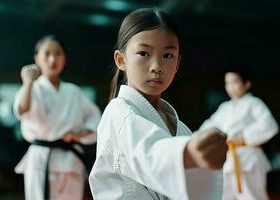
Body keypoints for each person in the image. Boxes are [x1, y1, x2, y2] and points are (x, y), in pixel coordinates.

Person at [89, 8, 228, 200]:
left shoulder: (181, 128)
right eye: (144, 53)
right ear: (121, 60)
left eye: (168, 55)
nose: (157, 66)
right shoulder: (119, 111)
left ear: (178, 63)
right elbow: (146, 153)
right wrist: (189, 153)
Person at [13, 35, 101, 200]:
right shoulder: (33, 88)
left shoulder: (73, 92)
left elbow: (95, 118)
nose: (52, 59)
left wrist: (80, 134)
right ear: (36, 58)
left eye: (58, 53)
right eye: (47, 54)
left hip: (70, 159)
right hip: (41, 157)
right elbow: (21, 110)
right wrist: (27, 83)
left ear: (65, 58)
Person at [198, 67, 279, 200]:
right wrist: (197, 137)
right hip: (228, 159)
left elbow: (270, 126)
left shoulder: (254, 103)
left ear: (246, 84)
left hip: (248, 159)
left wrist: (245, 136)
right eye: (227, 82)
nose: (230, 86)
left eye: (235, 82)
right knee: (224, 196)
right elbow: (210, 125)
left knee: (251, 196)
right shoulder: (225, 107)